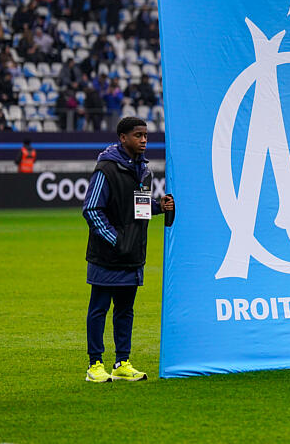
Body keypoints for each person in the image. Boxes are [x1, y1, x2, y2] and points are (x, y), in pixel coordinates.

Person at [82, 117, 174, 383]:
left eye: (145, 135)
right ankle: (95, 365)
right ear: (123, 138)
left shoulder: (143, 171)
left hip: (132, 254)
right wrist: (116, 241)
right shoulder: (106, 169)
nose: (144, 140)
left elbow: (138, 208)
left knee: (125, 310)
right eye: (138, 135)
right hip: (107, 255)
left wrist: (158, 207)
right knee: (99, 309)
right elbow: (91, 209)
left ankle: (121, 363)